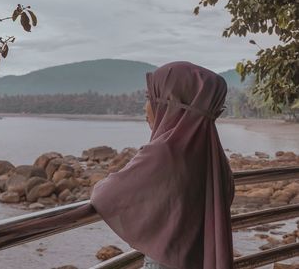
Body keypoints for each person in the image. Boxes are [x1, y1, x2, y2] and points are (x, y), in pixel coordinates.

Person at [89, 61, 235, 269]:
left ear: (171, 102)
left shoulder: (165, 153)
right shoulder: (213, 154)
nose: (144, 107)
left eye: (149, 98)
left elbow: (104, 195)